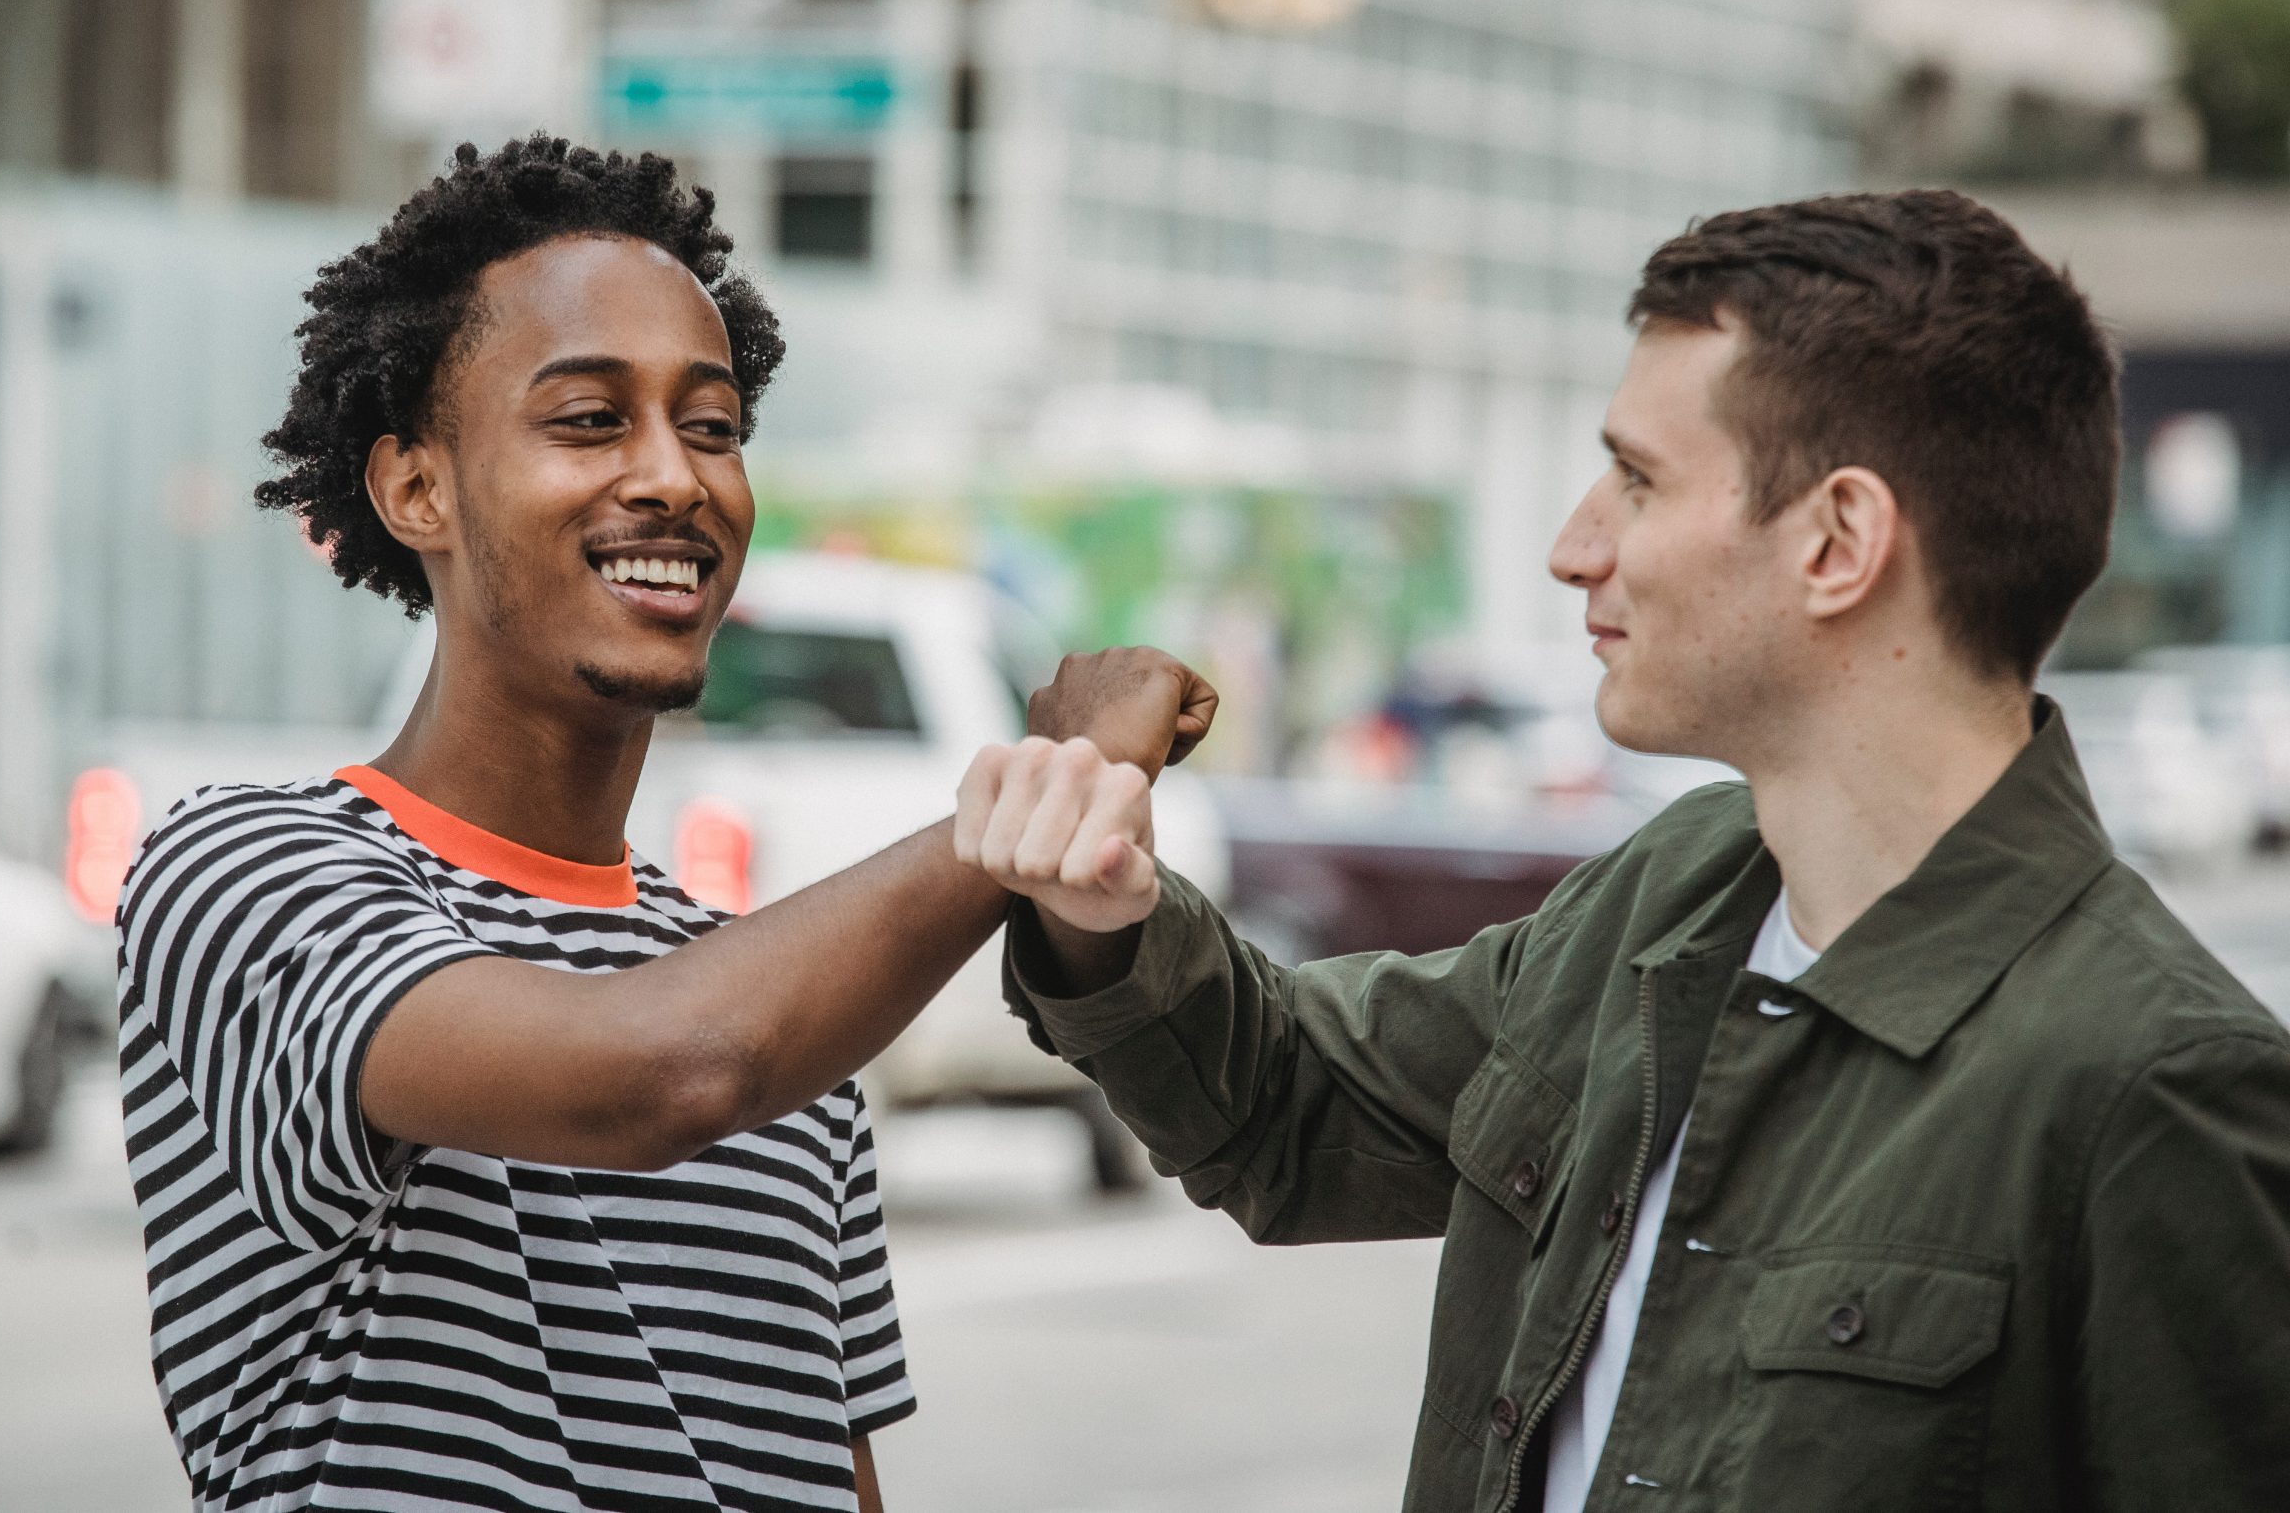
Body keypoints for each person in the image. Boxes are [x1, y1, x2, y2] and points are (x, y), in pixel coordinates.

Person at [963, 190, 2290, 1511]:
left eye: (1638, 480)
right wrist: (1101, 902)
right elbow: (1290, 1111)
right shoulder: (1669, 902)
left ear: (1840, 541)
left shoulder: (2159, 1089)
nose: (1572, 548)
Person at [115, 137, 1205, 1513]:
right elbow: (662, 1077)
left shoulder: (788, 1018)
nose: (676, 479)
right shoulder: (250, 872)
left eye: (713, 427)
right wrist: (1032, 798)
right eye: (586, 420)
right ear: (415, 490)